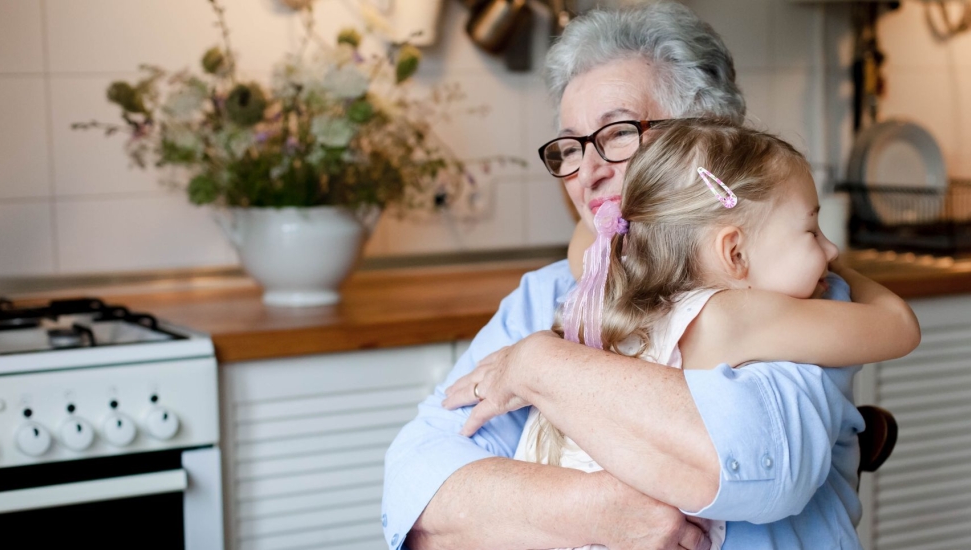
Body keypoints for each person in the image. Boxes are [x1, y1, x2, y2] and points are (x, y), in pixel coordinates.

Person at [382, 3, 920, 549]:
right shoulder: (553, 292)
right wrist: (588, 512)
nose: (588, 171)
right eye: (569, 146)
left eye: (617, 133)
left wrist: (539, 365)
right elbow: (416, 495)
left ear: (711, 144)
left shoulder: (788, 293)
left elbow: (761, 471)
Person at [457, 119, 920, 550]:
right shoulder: (737, 316)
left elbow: (588, 237)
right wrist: (839, 274)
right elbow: (898, 326)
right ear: (734, 253)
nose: (830, 247)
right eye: (811, 229)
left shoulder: (611, 284)